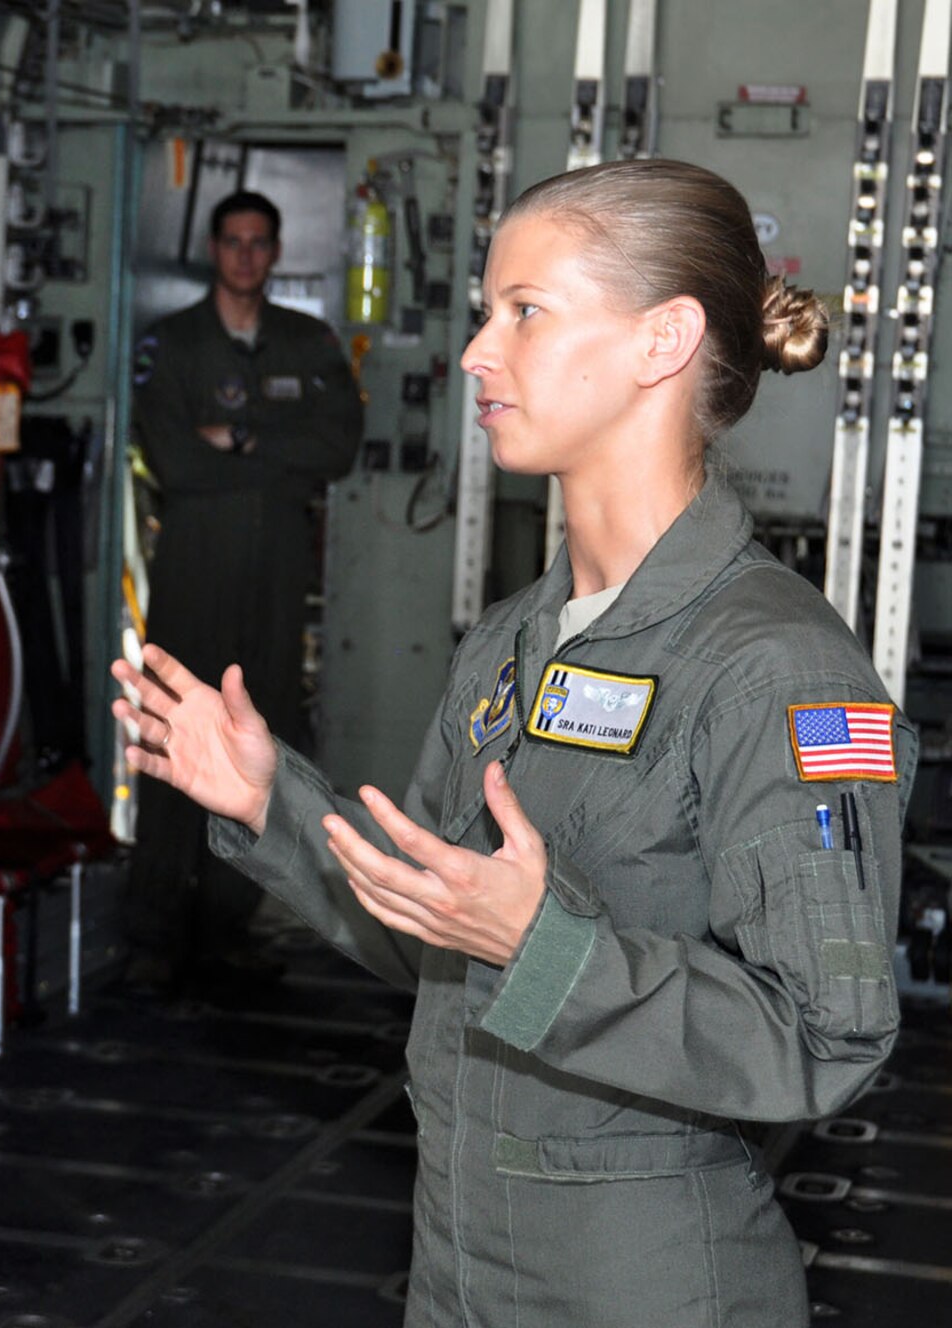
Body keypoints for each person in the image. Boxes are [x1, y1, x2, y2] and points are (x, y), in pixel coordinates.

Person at [113, 158, 912, 1326]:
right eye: (487, 312)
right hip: (457, 1267)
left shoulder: (774, 668)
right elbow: (438, 930)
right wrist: (266, 804)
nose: (477, 352)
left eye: (524, 313)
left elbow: (825, 1032)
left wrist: (545, 949)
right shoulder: (507, 645)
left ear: (662, 341)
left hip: (642, 1286)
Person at [126, 188, 364, 985]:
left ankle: (231, 924)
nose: (246, 256)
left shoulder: (308, 341)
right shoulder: (173, 343)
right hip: (195, 570)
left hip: (274, 578)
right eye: (233, 242)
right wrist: (269, 457)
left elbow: (336, 446)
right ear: (213, 249)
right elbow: (174, 462)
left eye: (260, 243)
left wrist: (243, 435)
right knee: (173, 731)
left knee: (264, 735)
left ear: (275, 251)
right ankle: (156, 928)